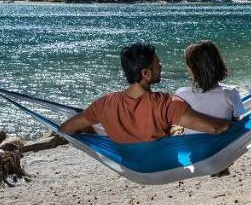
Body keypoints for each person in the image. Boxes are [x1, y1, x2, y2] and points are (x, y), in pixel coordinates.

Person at [59, 43, 230, 142]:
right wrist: (235, 126)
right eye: (157, 63)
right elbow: (214, 128)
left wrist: (96, 139)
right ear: (145, 73)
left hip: (129, 165)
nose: (161, 66)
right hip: (162, 167)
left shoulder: (105, 104)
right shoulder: (167, 104)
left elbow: (66, 128)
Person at [176, 40, 246, 135]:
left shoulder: (181, 95)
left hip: (193, 146)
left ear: (192, 69)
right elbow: (238, 120)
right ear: (219, 63)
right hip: (224, 143)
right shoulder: (230, 92)